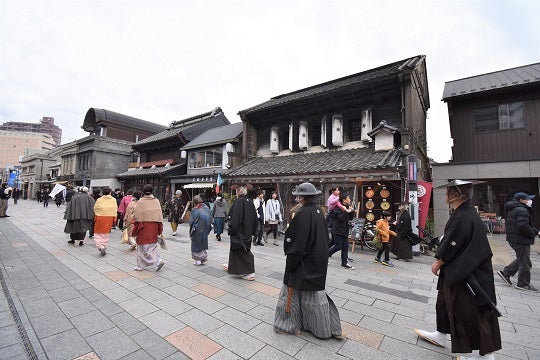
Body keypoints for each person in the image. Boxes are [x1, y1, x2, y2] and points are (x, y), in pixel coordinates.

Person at [414, 180, 501, 360]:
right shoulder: (462, 212)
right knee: (445, 303)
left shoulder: (465, 215)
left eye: (449, 191)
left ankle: (486, 355)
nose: (446, 195)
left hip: (469, 273)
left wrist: (439, 260)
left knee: (471, 311)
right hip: (459, 269)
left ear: (455, 194)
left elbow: (454, 241)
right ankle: (441, 334)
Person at [274, 182, 342, 339]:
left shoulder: (302, 213)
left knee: (291, 294)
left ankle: (290, 326)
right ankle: (323, 327)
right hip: (317, 260)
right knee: (316, 297)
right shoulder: (319, 211)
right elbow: (325, 237)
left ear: (302, 197)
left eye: (298, 195)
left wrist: (291, 261)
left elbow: (297, 242)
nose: (297, 197)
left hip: (302, 261)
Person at [497, 192, 540, 292]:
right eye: (527, 199)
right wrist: (532, 234)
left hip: (515, 238)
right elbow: (523, 226)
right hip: (521, 239)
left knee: (522, 258)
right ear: (521, 200)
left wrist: (536, 231)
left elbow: (524, 224)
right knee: (525, 262)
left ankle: (506, 273)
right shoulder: (522, 210)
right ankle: (523, 283)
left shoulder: (515, 208)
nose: (530, 201)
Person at [223, 185, 258, 281]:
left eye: (236, 191)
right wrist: (255, 232)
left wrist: (231, 229)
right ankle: (233, 267)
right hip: (247, 232)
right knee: (238, 251)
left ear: (238, 192)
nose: (235, 193)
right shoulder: (250, 201)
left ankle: (250, 272)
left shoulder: (239, 201)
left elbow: (235, 218)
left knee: (243, 251)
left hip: (239, 231)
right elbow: (255, 218)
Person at [132, 184, 165, 271]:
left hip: (143, 226)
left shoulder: (140, 202)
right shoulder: (156, 201)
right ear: (152, 191)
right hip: (154, 225)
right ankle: (158, 260)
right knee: (152, 246)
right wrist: (159, 228)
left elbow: (136, 215)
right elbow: (159, 215)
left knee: (142, 246)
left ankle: (140, 265)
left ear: (143, 191)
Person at [328, 194, 355, 269]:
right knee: (338, 246)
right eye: (348, 198)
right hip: (337, 230)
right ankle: (326, 255)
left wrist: (351, 211)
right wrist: (346, 211)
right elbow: (340, 218)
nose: (349, 200)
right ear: (344, 200)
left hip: (345, 230)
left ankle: (344, 263)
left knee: (345, 247)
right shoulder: (337, 207)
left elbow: (350, 218)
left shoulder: (347, 207)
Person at [93, 187, 118, 256]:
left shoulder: (99, 199)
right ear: (110, 193)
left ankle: (100, 246)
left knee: (98, 232)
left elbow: (95, 208)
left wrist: (98, 213)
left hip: (100, 217)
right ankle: (104, 245)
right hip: (109, 218)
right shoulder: (113, 200)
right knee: (106, 233)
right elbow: (115, 209)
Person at [190, 195, 213, 265]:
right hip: (206, 228)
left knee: (196, 244)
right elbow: (210, 218)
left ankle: (198, 260)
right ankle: (203, 257)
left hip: (197, 229)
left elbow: (192, 221)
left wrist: (191, 229)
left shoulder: (195, 209)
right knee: (203, 243)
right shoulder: (206, 208)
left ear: (194, 202)